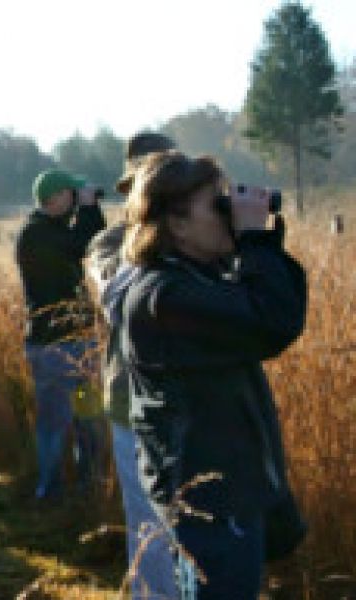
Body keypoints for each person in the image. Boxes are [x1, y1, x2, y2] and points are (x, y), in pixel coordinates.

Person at [120, 151, 306, 598]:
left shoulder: (187, 279)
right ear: (178, 225)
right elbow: (271, 323)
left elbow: (267, 304)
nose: (227, 215)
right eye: (215, 206)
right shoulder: (165, 296)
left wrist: (258, 243)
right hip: (211, 505)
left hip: (224, 494)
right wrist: (254, 241)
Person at [87, 132, 178, 598]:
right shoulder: (110, 242)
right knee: (149, 526)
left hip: (195, 407)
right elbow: (113, 297)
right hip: (133, 404)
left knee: (194, 529)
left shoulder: (204, 239)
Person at [15, 169, 106, 500]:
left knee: (89, 417)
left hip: (79, 342)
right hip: (54, 347)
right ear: (53, 198)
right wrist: (90, 209)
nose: (75, 202)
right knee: (55, 424)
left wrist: (89, 209)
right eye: (71, 195)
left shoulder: (53, 230)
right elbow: (82, 246)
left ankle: (90, 485)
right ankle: (49, 491)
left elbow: (92, 244)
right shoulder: (35, 234)